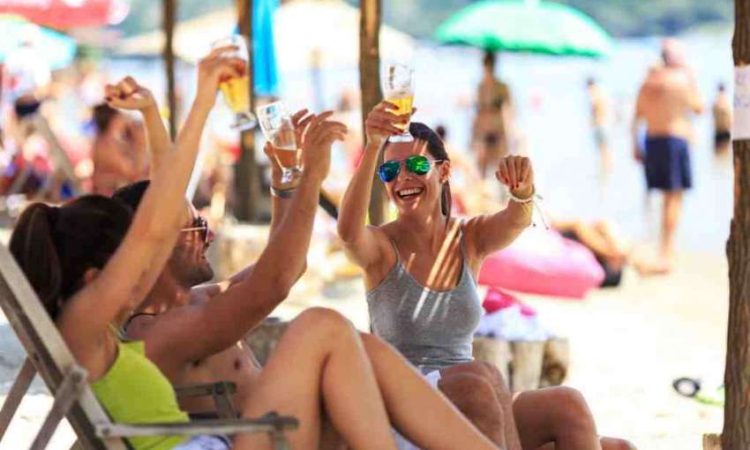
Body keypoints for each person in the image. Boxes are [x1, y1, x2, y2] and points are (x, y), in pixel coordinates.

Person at [105, 85, 501, 448]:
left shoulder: (193, 304)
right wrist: (312, 176)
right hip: (273, 437)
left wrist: (285, 183)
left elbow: (282, 269)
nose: (209, 234)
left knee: (460, 375)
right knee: (325, 327)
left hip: (284, 430)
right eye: (197, 226)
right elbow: (275, 280)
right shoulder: (159, 331)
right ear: (157, 245)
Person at [338, 102, 635, 450]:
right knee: (479, 378)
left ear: (444, 171)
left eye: (417, 165)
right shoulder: (380, 247)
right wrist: (373, 145)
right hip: (406, 402)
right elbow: (348, 233)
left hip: (471, 397)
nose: (402, 177)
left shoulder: (469, 237)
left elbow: (516, 219)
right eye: (390, 171)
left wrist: (522, 190)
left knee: (572, 407)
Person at [632, 38, 704, 272]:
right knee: (673, 198)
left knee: (656, 196)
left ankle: (656, 249)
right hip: (675, 139)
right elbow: (699, 108)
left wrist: (635, 146)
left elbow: (637, 116)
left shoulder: (648, 81)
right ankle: (666, 253)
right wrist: (691, 76)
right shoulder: (681, 80)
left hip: (652, 140)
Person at [472, 51, 514, 178]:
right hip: (486, 131)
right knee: (482, 170)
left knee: (499, 170)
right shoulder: (481, 87)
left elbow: (509, 111)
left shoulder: (501, 87)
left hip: (496, 131)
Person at [91, 103, 148, 195]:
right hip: (109, 198)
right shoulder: (106, 145)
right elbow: (132, 174)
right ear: (113, 120)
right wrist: (141, 145)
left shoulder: (112, 142)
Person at [586, 78, 612, 174]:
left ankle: (605, 169)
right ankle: (606, 168)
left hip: (600, 125)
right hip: (603, 124)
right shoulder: (600, 93)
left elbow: (596, 108)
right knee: (603, 148)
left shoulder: (594, 94)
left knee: (602, 148)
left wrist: (595, 121)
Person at [712, 82, 732, 154]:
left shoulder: (715, 102)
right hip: (724, 130)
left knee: (720, 154)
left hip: (719, 130)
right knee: (724, 153)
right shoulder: (725, 102)